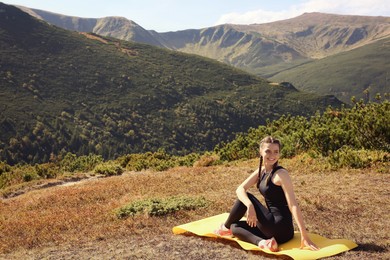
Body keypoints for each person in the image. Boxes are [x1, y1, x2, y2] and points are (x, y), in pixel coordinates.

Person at [214, 136, 319, 252]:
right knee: (235, 227)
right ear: (260, 152)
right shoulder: (262, 171)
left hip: (279, 226)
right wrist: (250, 206)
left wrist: (304, 235)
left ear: (279, 153)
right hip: (277, 231)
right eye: (268, 151)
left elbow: (293, 205)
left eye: (276, 152)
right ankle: (263, 243)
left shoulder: (281, 174)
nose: (272, 155)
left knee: (247, 197)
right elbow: (240, 189)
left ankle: (224, 228)